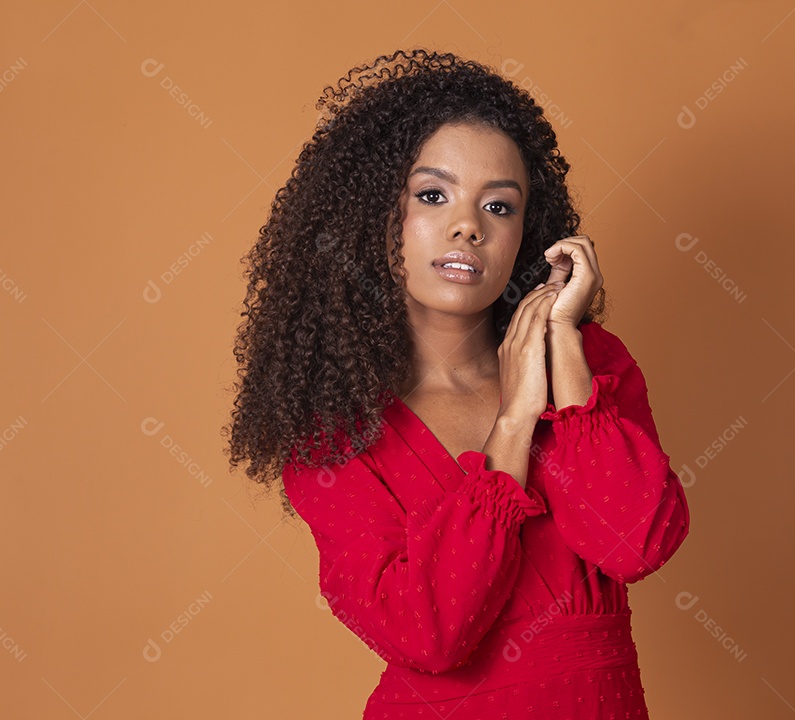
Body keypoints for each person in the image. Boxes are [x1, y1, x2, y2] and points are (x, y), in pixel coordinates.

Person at [224, 47, 690, 719]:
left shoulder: (590, 364)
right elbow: (430, 635)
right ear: (375, 214)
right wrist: (514, 426)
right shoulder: (333, 428)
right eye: (433, 195)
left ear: (526, 235)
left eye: (499, 207)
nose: (468, 224)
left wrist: (562, 359)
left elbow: (636, 543)